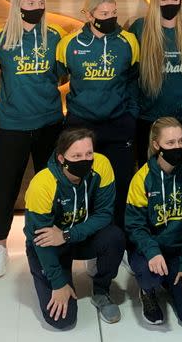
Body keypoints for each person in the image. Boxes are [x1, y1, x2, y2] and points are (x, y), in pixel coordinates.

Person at [0, 0, 66, 278]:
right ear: (17, 5)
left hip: (49, 123)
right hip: (13, 126)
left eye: (40, 3)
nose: (36, 8)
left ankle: (52, 240)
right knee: (7, 189)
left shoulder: (56, 38)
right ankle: (1, 247)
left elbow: (60, 75)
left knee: (53, 188)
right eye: (30, 3)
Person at [24, 128, 125, 328]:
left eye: (89, 154)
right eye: (76, 156)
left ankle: (101, 291)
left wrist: (68, 234)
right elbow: (40, 239)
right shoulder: (42, 184)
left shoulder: (102, 165)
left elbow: (105, 214)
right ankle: (61, 274)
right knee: (62, 319)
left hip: (76, 236)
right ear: (62, 158)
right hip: (48, 246)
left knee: (115, 237)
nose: (85, 160)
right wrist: (58, 283)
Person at [56, 0, 139, 227]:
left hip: (118, 124)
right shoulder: (68, 44)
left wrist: (130, 115)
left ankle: (118, 241)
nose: (110, 18)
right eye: (104, 13)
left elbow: (133, 80)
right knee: (83, 184)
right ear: (89, 15)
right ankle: (85, 236)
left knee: (120, 183)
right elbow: (56, 78)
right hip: (81, 126)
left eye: (114, 12)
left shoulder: (128, 41)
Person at [125, 117, 182, 328]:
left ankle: (171, 281)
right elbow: (134, 225)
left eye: (180, 141)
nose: (177, 147)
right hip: (149, 250)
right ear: (156, 145)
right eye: (170, 143)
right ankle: (147, 290)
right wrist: (152, 251)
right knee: (150, 276)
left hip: (180, 252)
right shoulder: (142, 178)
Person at [128, 0, 182, 167]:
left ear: (181, 1)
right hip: (150, 116)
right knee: (149, 172)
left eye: (174, 0)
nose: (169, 5)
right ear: (155, 1)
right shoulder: (140, 27)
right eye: (164, 0)